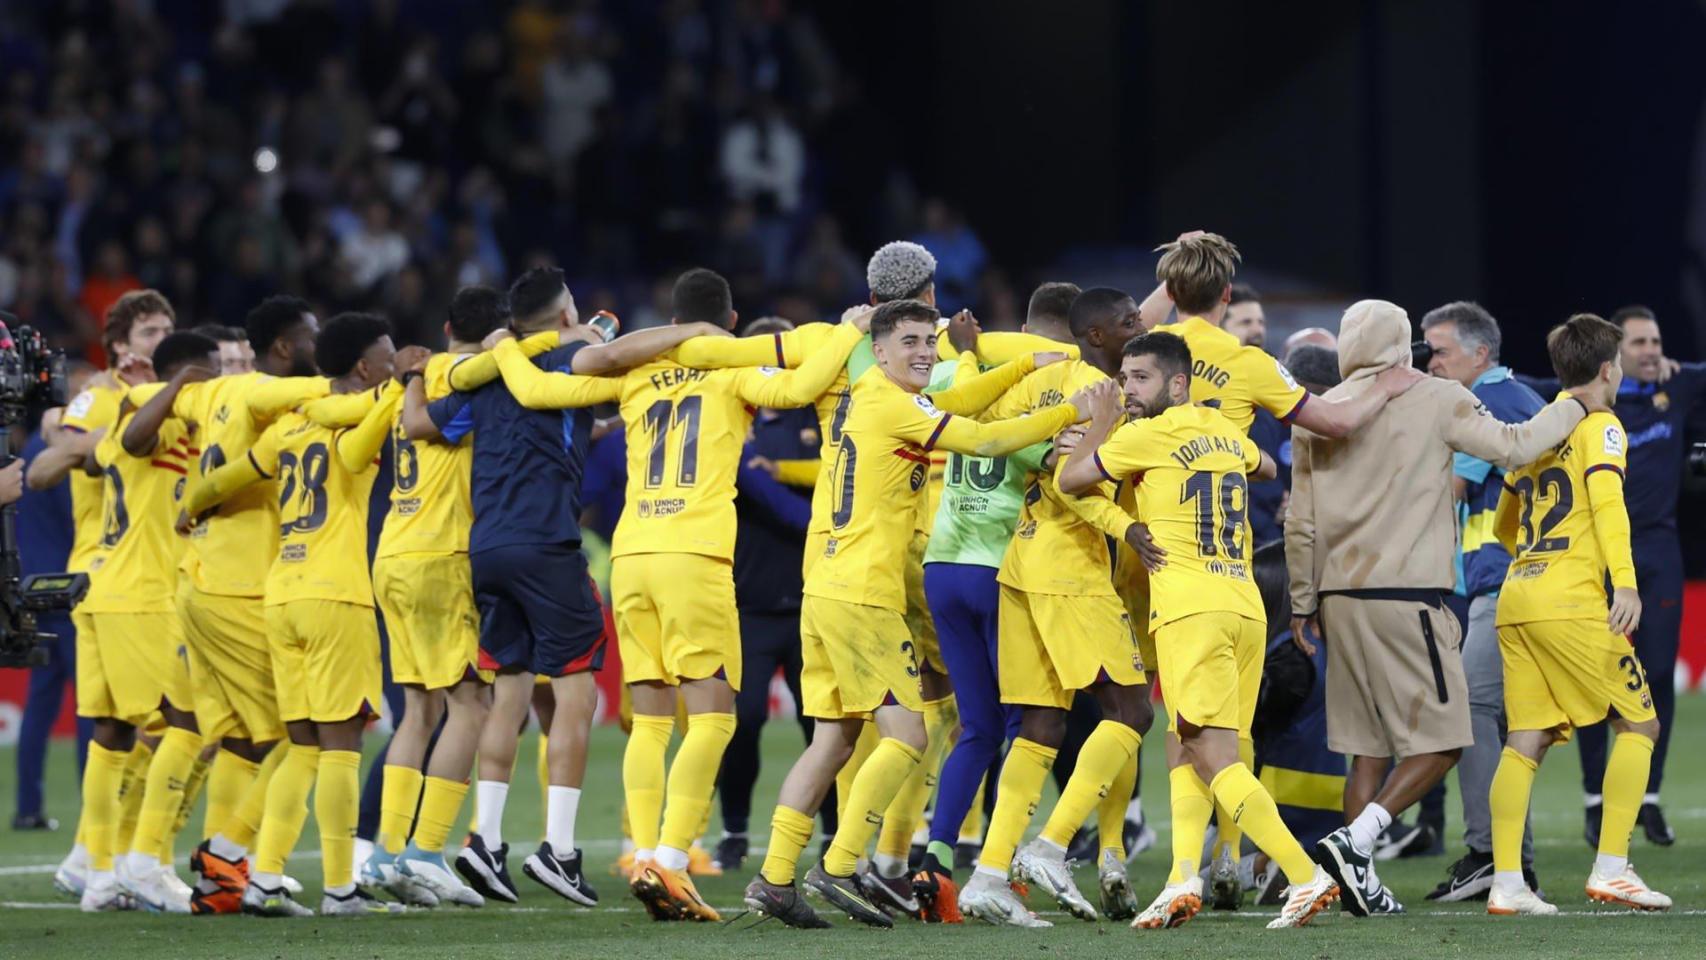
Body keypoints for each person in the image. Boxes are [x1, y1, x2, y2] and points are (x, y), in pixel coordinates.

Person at [490, 267, 868, 921]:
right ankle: (668, 860)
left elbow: (549, 386)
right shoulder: (726, 367)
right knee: (715, 717)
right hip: (693, 556)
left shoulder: (636, 373)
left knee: (653, 717)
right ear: (728, 322)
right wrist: (847, 330)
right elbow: (804, 384)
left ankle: (643, 854)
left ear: (671, 318)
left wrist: (501, 349)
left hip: (632, 557)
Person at [743, 299, 1091, 929]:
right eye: (910, 343)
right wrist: (1070, 411)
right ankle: (841, 864)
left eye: (929, 343)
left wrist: (1013, 373)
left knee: (833, 740)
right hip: (863, 594)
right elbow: (981, 437)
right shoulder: (891, 402)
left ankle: (773, 878)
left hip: (824, 586)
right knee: (909, 735)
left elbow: (953, 406)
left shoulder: (867, 394)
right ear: (878, 350)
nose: (926, 353)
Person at [410, 266, 716, 906]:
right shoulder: (574, 355)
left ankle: (486, 844)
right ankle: (560, 851)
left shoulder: (496, 371)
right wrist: (687, 328)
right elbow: (617, 351)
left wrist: (414, 374)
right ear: (563, 315)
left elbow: (419, 424)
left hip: (487, 546)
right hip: (546, 545)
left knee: (510, 692)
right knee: (577, 698)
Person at [1286, 298, 1589, 917]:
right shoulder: (1433, 396)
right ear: (1404, 344)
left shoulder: (1320, 410)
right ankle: (1355, 841)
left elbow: (1300, 522)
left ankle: (1357, 889)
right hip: (1406, 596)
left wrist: (1302, 601)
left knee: (1367, 749)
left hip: (1338, 598)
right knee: (1446, 740)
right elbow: (1514, 446)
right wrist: (1578, 403)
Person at [1062, 330, 1346, 931]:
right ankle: (1181, 876)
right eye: (1124, 378)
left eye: (1141, 378)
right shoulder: (1225, 432)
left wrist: (1102, 421)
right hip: (1242, 607)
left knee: (1211, 753)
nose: (1128, 389)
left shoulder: (1144, 435)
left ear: (1178, 383)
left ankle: (1303, 874)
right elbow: (1267, 465)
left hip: (1192, 610)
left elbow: (1071, 479)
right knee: (1190, 743)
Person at [182, 313, 414, 917]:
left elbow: (230, 476)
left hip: (282, 593)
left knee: (303, 745)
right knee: (340, 749)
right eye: (387, 358)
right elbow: (359, 446)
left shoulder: (288, 425)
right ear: (365, 368)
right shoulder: (363, 413)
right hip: (336, 596)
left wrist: (190, 506)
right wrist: (397, 392)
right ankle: (341, 888)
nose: (393, 364)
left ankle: (261, 877)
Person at [951, 286, 1155, 930]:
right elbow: (1077, 484)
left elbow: (972, 424)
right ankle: (1050, 845)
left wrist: (968, 356)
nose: (1140, 326)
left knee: (1041, 727)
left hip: (1020, 561)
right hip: (1069, 567)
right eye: (1128, 323)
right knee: (1131, 708)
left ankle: (986, 876)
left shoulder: (1046, 377)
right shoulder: (1108, 394)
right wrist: (1127, 528)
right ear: (1096, 336)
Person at [119, 295, 330, 915]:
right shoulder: (262, 392)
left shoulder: (211, 396)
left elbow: (135, 438)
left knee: (222, 733)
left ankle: (198, 866)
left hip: (200, 579)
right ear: (286, 347)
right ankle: (226, 854)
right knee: (305, 733)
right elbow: (328, 398)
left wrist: (182, 383)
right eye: (313, 336)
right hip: (238, 588)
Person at [1485, 313, 1670, 915]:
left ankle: (1508, 884)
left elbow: (1503, 525)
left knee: (1526, 738)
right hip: (1570, 601)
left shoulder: (1536, 427)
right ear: (1608, 368)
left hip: (1519, 596)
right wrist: (1627, 584)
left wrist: (1537, 562)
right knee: (1640, 725)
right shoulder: (1602, 425)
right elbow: (1609, 505)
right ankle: (1613, 867)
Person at [912, 281, 1079, 922]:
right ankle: (1000, 864)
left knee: (973, 728)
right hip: (996, 573)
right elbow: (1055, 467)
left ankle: (933, 860)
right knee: (1022, 727)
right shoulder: (1048, 386)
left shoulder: (962, 373)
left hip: (942, 565)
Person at [1524, 305, 1706, 848]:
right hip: (1598, 557)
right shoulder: (1588, 409)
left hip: (1657, 552)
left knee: (1655, 678)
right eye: (1640, 343)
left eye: (1656, 340)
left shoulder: (1683, 386)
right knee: (1593, 683)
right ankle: (1594, 798)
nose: (1651, 350)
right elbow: (1524, 385)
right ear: (1612, 361)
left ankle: (1647, 798)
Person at [27, 290, 174, 900]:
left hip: (125, 580)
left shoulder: (158, 395)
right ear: (119, 345)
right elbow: (46, 462)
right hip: (121, 577)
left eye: (168, 329)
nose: (160, 340)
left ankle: (92, 857)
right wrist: (83, 433)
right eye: (148, 332)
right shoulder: (103, 398)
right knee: (171, 725)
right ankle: (138, 857)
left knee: (112, 729)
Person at [75, 330, 221, 913]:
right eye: (207, 371)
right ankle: (147, 858)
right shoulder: (144, 407)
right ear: (185, 372)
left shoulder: (164, 419)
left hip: (112, 589)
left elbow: (101, 457)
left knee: (109, 739)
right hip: (140, 595)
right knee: (186, 725)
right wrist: (178, 387)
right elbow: (136, 442)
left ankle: (99, 875)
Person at [1416, 302, 1546, 903]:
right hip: (1515, 584)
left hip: (1511, 587)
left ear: (1479, 355)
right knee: (1500, 719)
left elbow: (1448, 492)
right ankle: (1506, 854)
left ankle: (1492, 853)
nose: (1430, 361)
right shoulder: (1517, 399)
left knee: (1470, 712)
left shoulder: (1483, 402)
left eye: (1439, 350)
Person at [714, 317, 833, 873]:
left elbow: (835, 470)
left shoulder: (819, 415)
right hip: (750, 598)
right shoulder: (733, 418)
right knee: (744, 718)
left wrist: (780, 473)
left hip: (812, 593)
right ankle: (734, 830)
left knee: (824, 723)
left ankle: (833, 834)